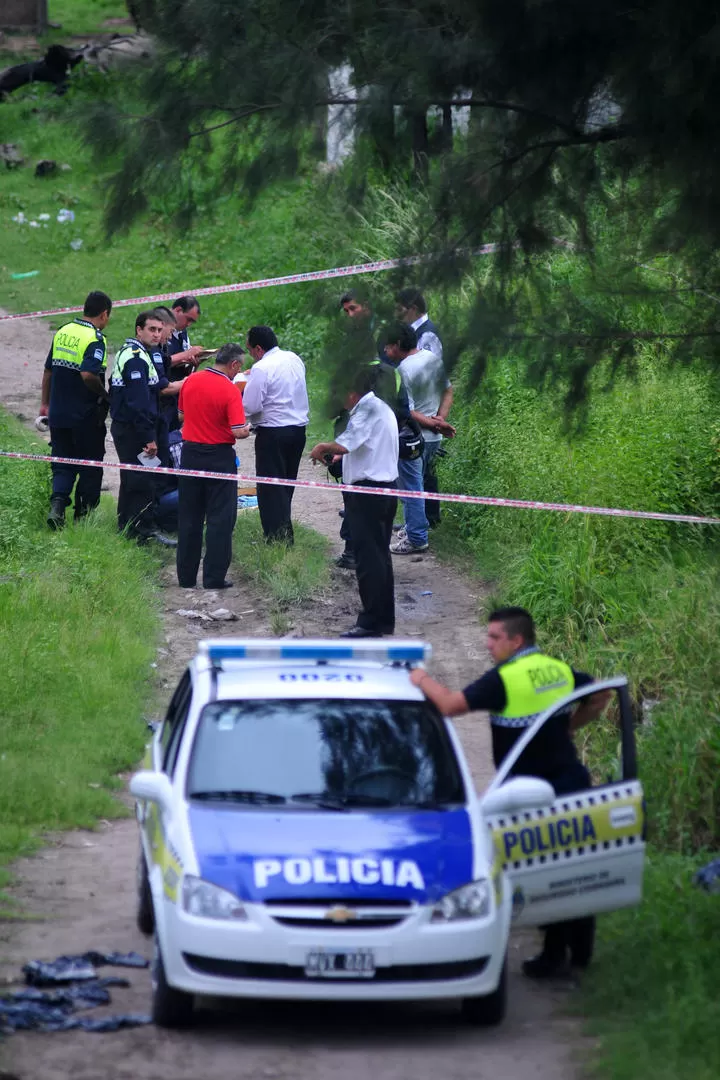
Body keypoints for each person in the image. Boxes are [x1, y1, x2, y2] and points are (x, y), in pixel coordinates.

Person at [410, 606, 611, 978]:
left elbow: (451, 705)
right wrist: (568, 728)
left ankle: (553, 957)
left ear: (516, 641)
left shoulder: (504, 680)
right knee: (576, 869)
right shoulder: (558, 670)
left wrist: (420, 678)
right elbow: (601, 697)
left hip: (530, 795)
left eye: (494, 638)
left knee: (543, 871)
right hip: (572, 783)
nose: (488, 645)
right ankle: (579, 955)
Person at [309, 367, 398, 638]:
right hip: (382, 490)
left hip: (368, 494)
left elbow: (347, 443)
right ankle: (382, 618)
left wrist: (323, 448)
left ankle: (370, 622)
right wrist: (341, 458)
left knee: (368, 559)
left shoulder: (366, 411)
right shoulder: (378, 408)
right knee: (379, 556)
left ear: (351, 393)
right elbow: (363, 447)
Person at [176, 343, 250, 590]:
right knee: (220, 518)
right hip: (219, 457)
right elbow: (238, 432)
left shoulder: (190, 381)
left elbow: (181, 416)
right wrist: (249, 429)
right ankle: (213, 577)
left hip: (190, 455)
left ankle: (186, 578)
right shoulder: (229, 390)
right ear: (235, 365)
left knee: (189, 517)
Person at [40, 290, 112, 530]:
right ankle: (84, 517)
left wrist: (45, 404)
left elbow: (48, 371)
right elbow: (88, 374)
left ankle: (57, 506)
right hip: (85, 416)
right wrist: (104, 394)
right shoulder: (95, 338)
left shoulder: (63, 331)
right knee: (90, 465)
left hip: (58, 413)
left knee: (62, 462)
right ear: (104, 314)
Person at [384, 322, 455, 552]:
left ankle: (416, 537)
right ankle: (415, 525)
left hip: (414, 439)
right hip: (434, 439)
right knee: (421, 482)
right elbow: (448, 390)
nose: (385, 351)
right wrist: (441, 420)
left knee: (411, 488)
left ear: (397, 345)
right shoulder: (432, 359)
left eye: (387, 346)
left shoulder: (403, 370)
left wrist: (434, 425)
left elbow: (409, 411)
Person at [109, 311, 176, 547]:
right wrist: (149, 438)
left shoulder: (140, 353)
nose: (157, 334)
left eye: (159, 330)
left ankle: (127, 528)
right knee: (142, 481)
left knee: (133, 479)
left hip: (131, 428)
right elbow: (138, 404)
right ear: (139, 330)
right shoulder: (136, 357)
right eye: (152, 329)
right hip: (134, 431)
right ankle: (142, 532)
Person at [242, 325, 309, 544]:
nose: (251, 355)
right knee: (286, 484)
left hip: (273, 433)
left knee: (271, 488)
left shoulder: (261, 368)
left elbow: (251, 406)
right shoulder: (293, 358)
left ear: (259, 349)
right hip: (298, 430)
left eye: (250, 350)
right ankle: (283, 532)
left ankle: (277, 538)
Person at [167, 295, 205, 393]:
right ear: (178, 310)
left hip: (178, 392)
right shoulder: (157, 331)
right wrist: (187, 354)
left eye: (192, 322)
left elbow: (183, 367)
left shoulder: (182, 332)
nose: (188, 324)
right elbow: (158, 362)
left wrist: (194, 363)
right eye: (188, 319)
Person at [395, 287, 443, 360]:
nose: (397, 314)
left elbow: (429, 367)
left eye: (400, 309)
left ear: (413, 309)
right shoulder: (410, 331)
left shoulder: (427, 335)